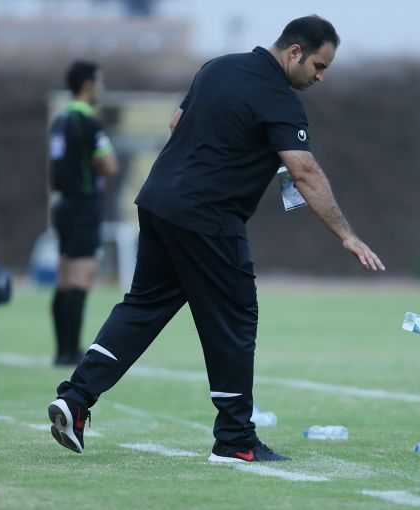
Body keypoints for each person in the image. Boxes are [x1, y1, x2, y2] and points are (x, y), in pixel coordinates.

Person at [48, 15, 384, 461]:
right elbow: (303, 171)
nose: (320, 77)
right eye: (319, 66)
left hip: (159, 203)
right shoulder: (278, 98)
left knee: (143, 307)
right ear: (294, 52)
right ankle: (235, 439)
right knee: (235, 318)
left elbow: (176, 124)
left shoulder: (216, 67)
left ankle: (75, 398)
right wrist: (347, 236)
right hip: (208, 217)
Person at [49, 60, 118, 366]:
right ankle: (70, 351)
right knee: (81, 276)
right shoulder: (87, 122)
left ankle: (61, 350)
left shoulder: (60, 120)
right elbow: (110, 165)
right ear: (88, 84)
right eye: (100, 81)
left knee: (64, 278)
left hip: (63, 205)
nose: (102, 87)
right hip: (83, 206)